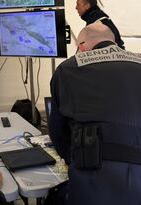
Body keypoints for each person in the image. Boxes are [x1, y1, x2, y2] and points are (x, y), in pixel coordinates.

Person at [49, 23, 141, 205]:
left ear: (82, 45)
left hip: (93, 180)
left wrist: (73, 158)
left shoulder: (68, 69)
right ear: (113, 42)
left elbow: (58, 132)